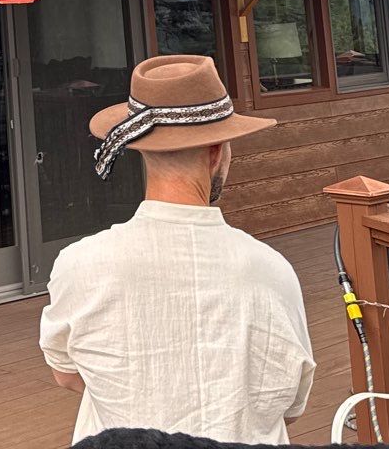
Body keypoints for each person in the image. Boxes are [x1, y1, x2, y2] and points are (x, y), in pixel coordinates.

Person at [39, 54, 314, 445]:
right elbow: (291, 403)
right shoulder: (271, 270)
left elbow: (66, 374)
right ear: (218, 151)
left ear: (137, 146)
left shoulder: (80, 264)